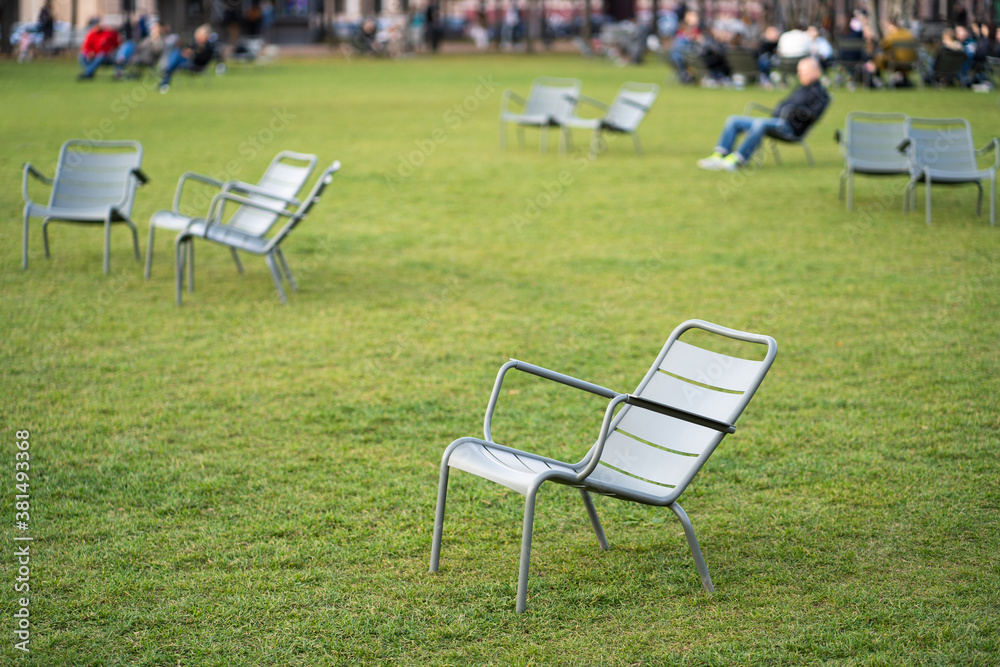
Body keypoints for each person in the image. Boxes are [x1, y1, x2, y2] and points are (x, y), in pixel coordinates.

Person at [698, 56, 829, 172]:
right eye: (799, 71)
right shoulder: (802, 88)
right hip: (777, 121)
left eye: (803, 72)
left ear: (816, 72)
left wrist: (792, 111)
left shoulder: (820, 94)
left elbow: (814, 115)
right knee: (734, 120)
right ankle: (719, 155)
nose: (800, 74)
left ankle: (738, 160)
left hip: (791, 128)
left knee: (759, 123)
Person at [158, 24, 221, 93]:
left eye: (200, 35)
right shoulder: (196, 44)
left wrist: (192, 53)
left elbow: (199, 56)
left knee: (175, 56)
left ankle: (166, 72)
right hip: (189, 62)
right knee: (176, 53)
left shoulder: (208, 46)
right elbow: (188, 50)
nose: (197, 37)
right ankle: (166, 74)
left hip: (195, 64)